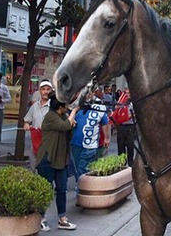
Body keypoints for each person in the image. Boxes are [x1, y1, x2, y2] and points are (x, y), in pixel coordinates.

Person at [36, 91, 78, 231]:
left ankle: (62, 218)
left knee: (62, 190)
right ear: (60, 106)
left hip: (61, 159)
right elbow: (64, 126)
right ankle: (40, 217)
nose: (68, 107)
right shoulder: (50, 116)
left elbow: (68, 131)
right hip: (47, 159)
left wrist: (72, 123)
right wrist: (74, 113)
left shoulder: (63, 116)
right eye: (66, 105)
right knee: (46, 190)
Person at [70, 89, 109, 187]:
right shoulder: (75, 105)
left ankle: (82, 190)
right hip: (75, 144)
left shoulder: (100, 107)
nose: (88, 95)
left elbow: (105, 123)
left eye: (90, 92)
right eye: (85, 93)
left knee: (82, 168)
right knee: (78, 167)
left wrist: (107, 138)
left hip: (90, 145)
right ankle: (81, 185)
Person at [24, 80, 55, 157]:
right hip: (35, 141)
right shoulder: (35, 106)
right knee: (33, 161)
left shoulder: (54, 106)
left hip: (49, 141)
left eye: (48, 89)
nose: (45, 92)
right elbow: (27, 119)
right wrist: (26, 124)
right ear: (40, 91)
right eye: (43, 89)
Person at [114, 88, 136, 168]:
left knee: (130, 145)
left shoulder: (133, 103)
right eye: (125, 93)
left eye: (128, 93)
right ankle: (122, 163)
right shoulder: (120, 103)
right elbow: (116, 113)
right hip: (121, 126)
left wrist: (130, 116)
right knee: (121, 145)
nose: (127, 95)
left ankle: (131, 162)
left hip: (130, 126)